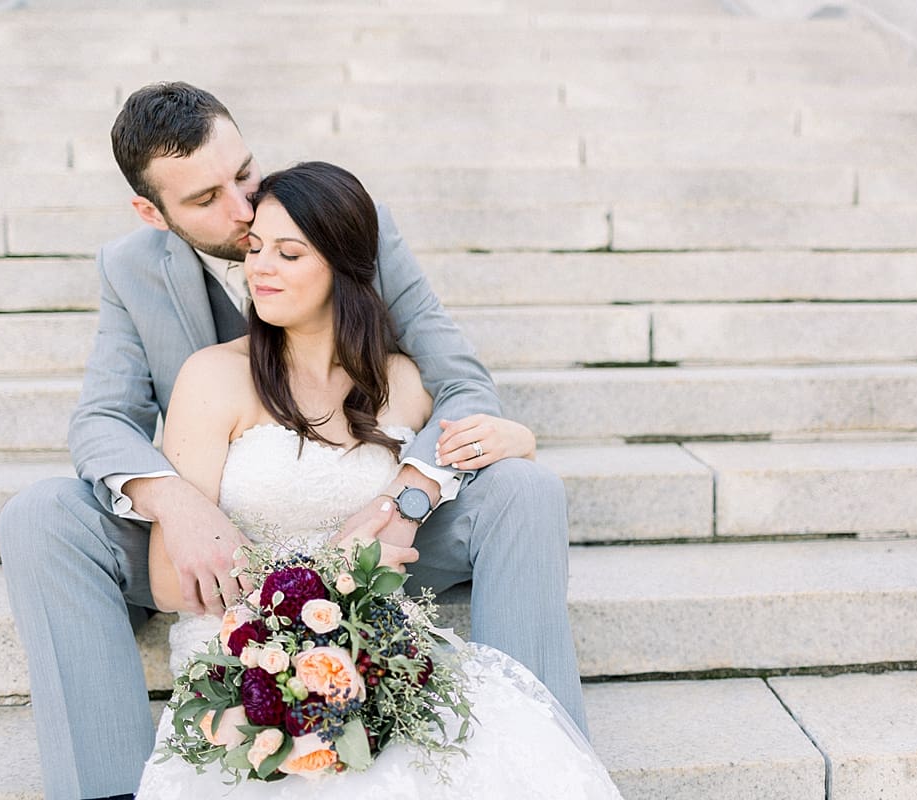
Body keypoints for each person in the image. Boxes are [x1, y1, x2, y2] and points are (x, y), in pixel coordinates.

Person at [0, 82, 584, 800]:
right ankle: (109, 788)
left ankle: (537, 755)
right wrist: (175, 500)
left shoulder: (342, 223)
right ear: (153, 213)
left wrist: (408, 495)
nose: (245, 212)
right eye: (206, 200)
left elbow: (462, 385)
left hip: (373, 530)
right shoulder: (132, 270)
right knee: (42, 516)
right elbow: (100, 420)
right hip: (216, 545)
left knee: (524, 490)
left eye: (242, 173)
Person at [134, 161, 620, 798]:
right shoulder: (212, 378)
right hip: (247, 660)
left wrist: (519, 441)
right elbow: (171, 581)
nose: (259, 268)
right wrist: (311, 603)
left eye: (288, 252)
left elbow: (474, 448)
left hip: (374, 654)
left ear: (343, 265)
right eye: (255, 249)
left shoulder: (405, 383)